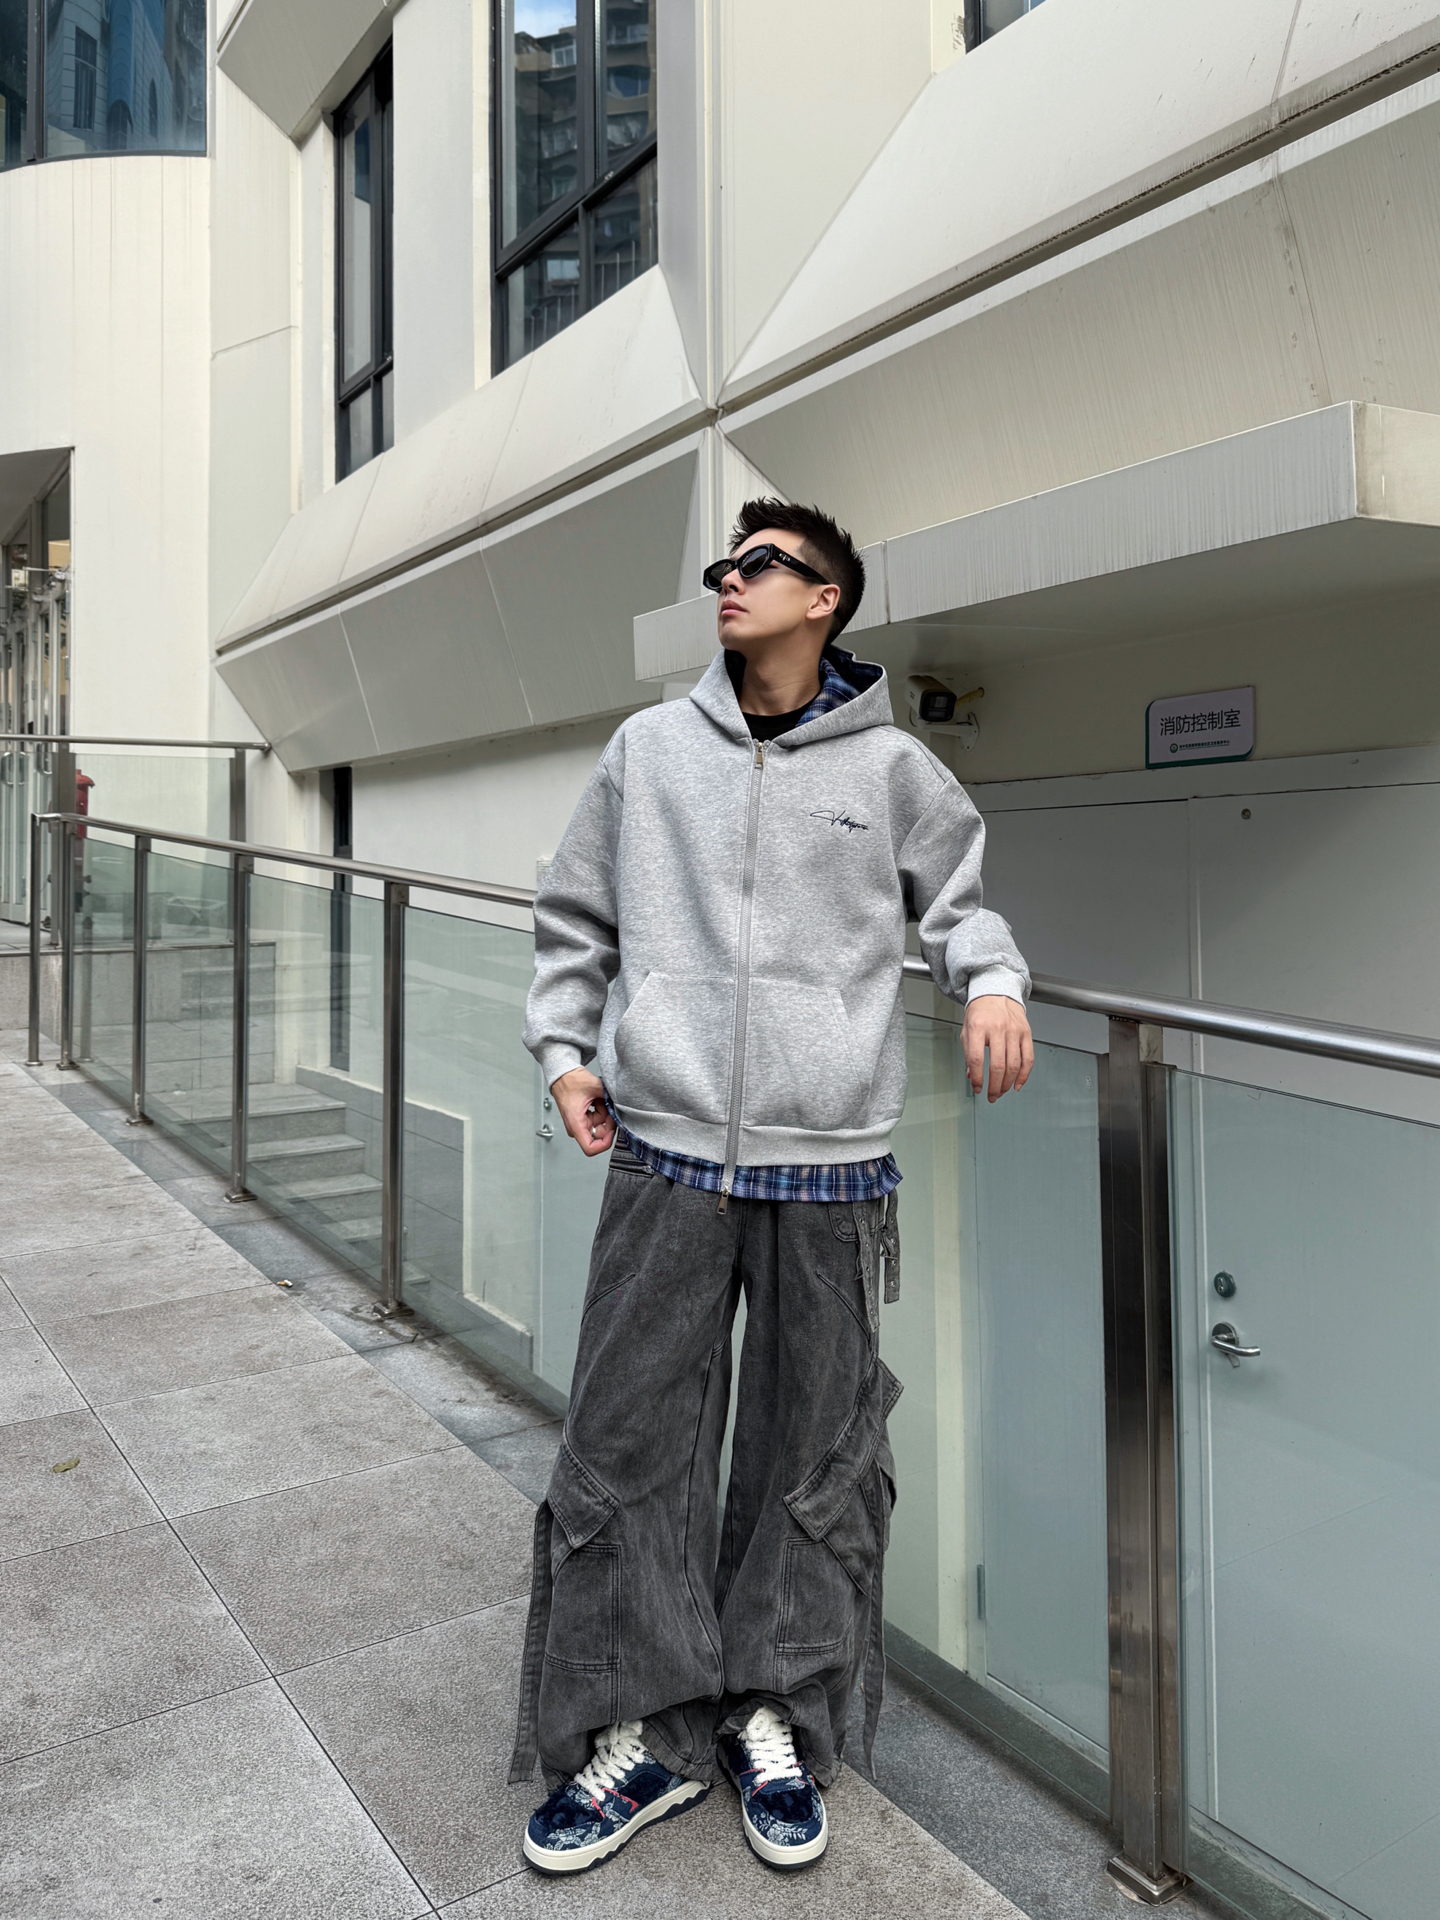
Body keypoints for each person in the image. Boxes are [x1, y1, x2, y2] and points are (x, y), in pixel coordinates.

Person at [510, 498, 1033, 1875]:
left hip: (833, 1170)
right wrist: (565, 1052)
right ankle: (642, 1730)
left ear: (826, 600)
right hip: (665, 1149)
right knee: (629, 1442)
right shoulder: (649, 752)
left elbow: (961, 903)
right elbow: (575, 912)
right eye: (723, 567)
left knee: (814, 1451)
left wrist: (992, 982)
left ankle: (771, 1711)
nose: (728, 584)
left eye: (759, 567)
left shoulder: (896, 769)